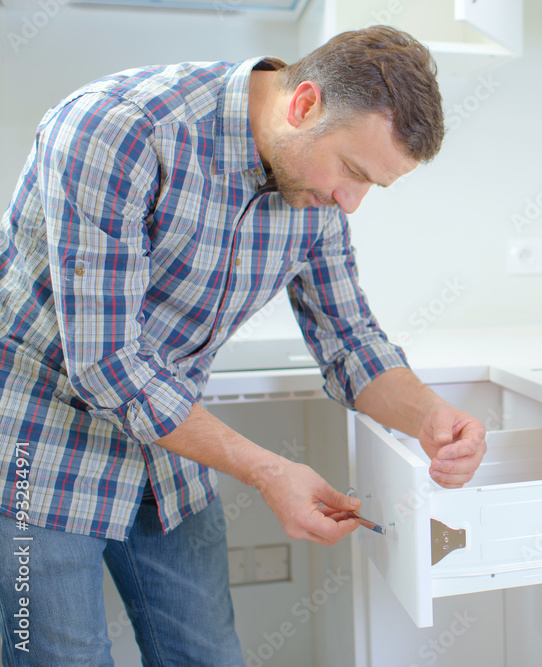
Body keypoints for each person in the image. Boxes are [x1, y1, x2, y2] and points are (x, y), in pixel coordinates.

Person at [0, 25, 486, 666]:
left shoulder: (316, 193)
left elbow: (351, 339)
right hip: (40, 446)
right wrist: (267, 469)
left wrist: (431, 416)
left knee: (210, 657)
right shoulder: (116, 131)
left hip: (168, 449)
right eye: (352, 172)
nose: (351, 202)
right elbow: (107, 367)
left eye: (374, 186)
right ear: (304, 104)